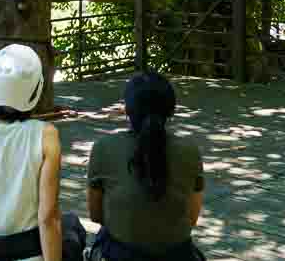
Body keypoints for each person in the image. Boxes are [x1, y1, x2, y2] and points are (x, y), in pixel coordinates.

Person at [0, 44, 84, 261]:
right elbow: (48, 218)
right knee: (73, 227)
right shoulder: (47, 136)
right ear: (36, 89)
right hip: (30, 253)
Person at [87, 72, 205, 261]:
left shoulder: (104, 147)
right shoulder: (190, 151)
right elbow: (191, 218)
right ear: (171, 110)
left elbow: (96, 215)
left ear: (128, 109)